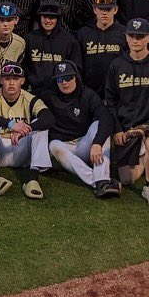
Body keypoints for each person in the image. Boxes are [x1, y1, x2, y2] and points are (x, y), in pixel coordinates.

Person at [104, 17, 149, 209]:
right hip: (128, 127)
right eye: (132, 36)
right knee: (127, 179)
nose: (136, 40)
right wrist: (117, 130)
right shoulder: (116, 65)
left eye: (140, 36)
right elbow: (110, 102)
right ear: (126, 38)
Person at [43, 60, 119, 198]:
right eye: (60, 79)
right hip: (65, 147)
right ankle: (100, 182)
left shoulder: (88, 95)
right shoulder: (48, 96)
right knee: (53, 145)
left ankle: (101, 177)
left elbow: (106, 117)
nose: (64, 82)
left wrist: (97, 143)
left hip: (85, 144)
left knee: (99, 126)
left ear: (76, 77)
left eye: (68, 77)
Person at [0, 63, 53, 199]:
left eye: (16, 79)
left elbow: (48, 117)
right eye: (7, 78)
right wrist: (11, 124)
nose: (11, 83)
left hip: (21, 151)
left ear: (22, 81)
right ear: (0, 80)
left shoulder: (29, 98)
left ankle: (32, 179)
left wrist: (27, 128)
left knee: (40, 127)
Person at [23, 0, 83, 94]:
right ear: (40, 17)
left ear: (58, 19)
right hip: (34, 91)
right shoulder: (29, 39)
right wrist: (32, 79)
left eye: (52, 17)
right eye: (45, 16)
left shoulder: (70, 40)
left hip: (60, 92)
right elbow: (24, 65)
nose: (47, 21)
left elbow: (76, 68)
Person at [76, 0, 129, 94]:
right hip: (89, 92)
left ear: (115, 10)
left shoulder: (125, 33)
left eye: (108, 9)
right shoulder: (83, 33)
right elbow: (78, 65)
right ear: (95, 9)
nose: (104, 12)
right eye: (101, 9)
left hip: (118, 92)